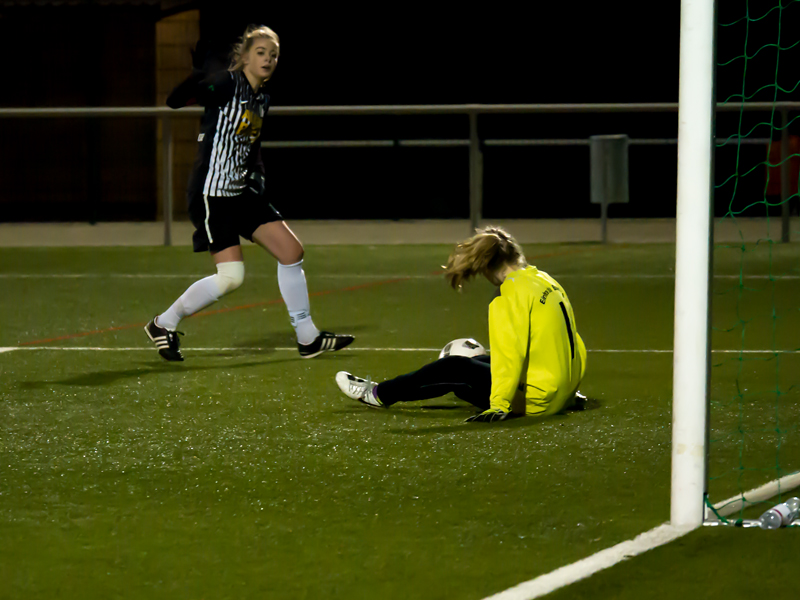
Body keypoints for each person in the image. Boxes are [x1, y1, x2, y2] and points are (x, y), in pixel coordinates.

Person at [145, 24, 353, 361]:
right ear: (244, 57)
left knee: (291, 251)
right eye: (260, 52)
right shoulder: (227, 84)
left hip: (242, 192)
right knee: (231, 277)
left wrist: (257, 174)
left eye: (273, 55)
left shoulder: (260, 98)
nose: (268, 59)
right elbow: (174, 101)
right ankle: (162, 323)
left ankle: (307, 337)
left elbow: (251, 145)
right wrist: (199, 76)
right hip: (212, 194)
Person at [335, 226, 586, 422]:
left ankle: (378, 394)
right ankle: (564, 393)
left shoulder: (509, 295)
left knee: (454, 367)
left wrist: (498, 405)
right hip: (562, 391)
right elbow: (574, 341)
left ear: (485, 266)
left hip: (539, 401)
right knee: (483, 361)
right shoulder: (544, 280)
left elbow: (511, 355)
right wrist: (570, 391)